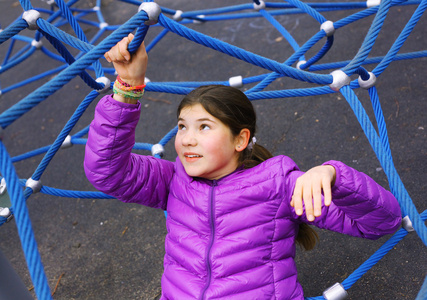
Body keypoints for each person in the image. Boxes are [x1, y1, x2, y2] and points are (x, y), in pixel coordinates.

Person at [84, 34, 402, 300]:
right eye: (182, 127)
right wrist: (127, 86)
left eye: (204, 127)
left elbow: (380, 223)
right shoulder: (173, 181)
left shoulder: (279, 186)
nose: (187, 140)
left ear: (240, 139)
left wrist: (333, 176)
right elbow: (107, 171)